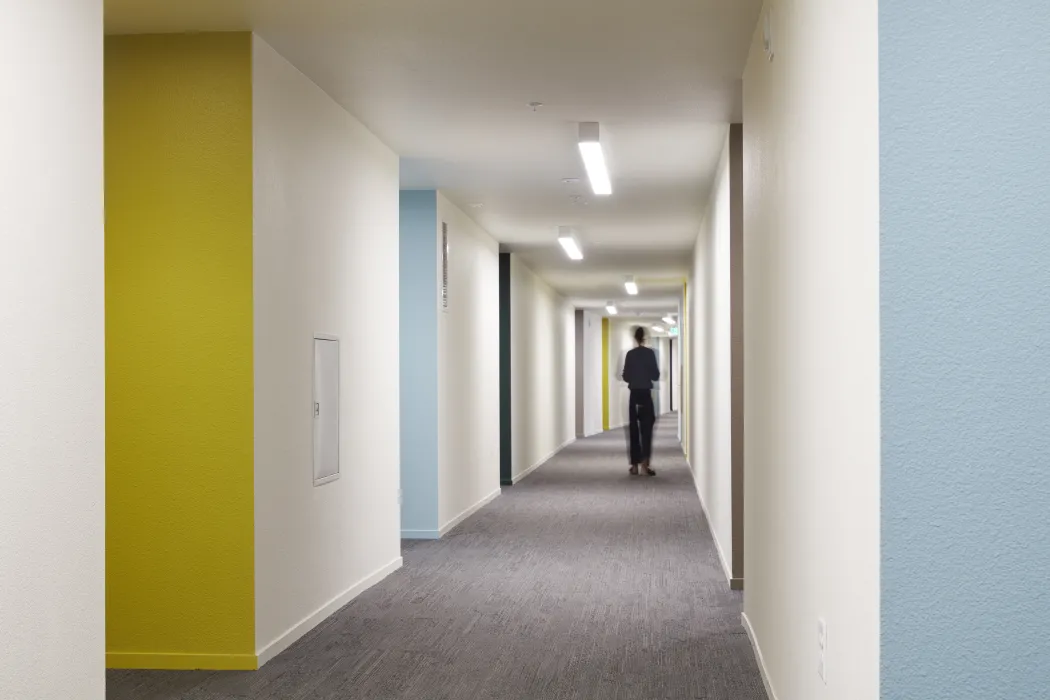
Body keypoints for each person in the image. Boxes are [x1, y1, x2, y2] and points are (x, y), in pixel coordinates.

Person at [621, 326, 660, 476]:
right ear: (644, 337)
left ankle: (634, 466)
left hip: (634, 396)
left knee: (633, 430)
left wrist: (634, 376)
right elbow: (655, 376)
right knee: (647, 430)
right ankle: (645, 464)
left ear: (634, 337)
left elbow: (625, 376)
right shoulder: (650, 353)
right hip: (645, 395)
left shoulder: (630, 355)